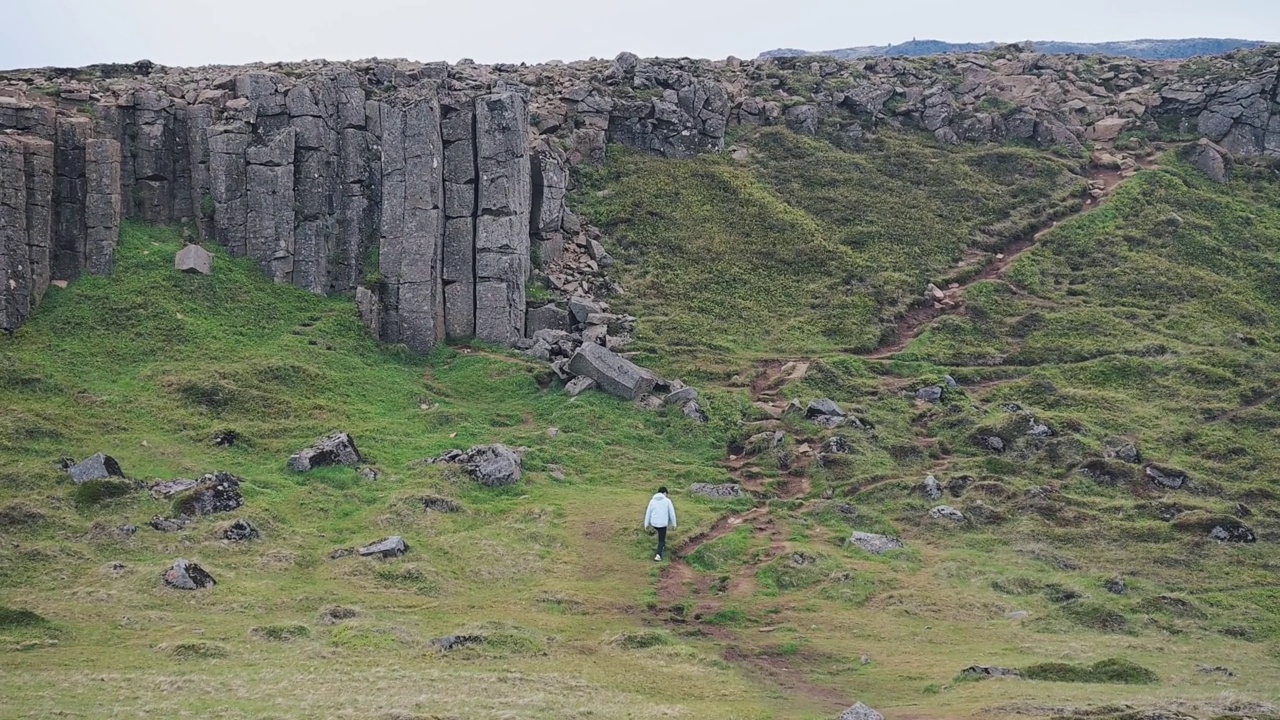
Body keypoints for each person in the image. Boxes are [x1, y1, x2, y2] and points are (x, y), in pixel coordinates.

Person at [644, 486, 677, 561]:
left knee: (657, 536)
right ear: (665, 493)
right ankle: (658, 554)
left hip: (653, 523)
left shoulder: (652, 501)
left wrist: (646, 524)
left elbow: (648, 513)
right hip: (662, 524)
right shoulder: (667, 501)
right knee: (662, 540)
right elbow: (672, 513)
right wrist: (674, 524)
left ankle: (654, 548)